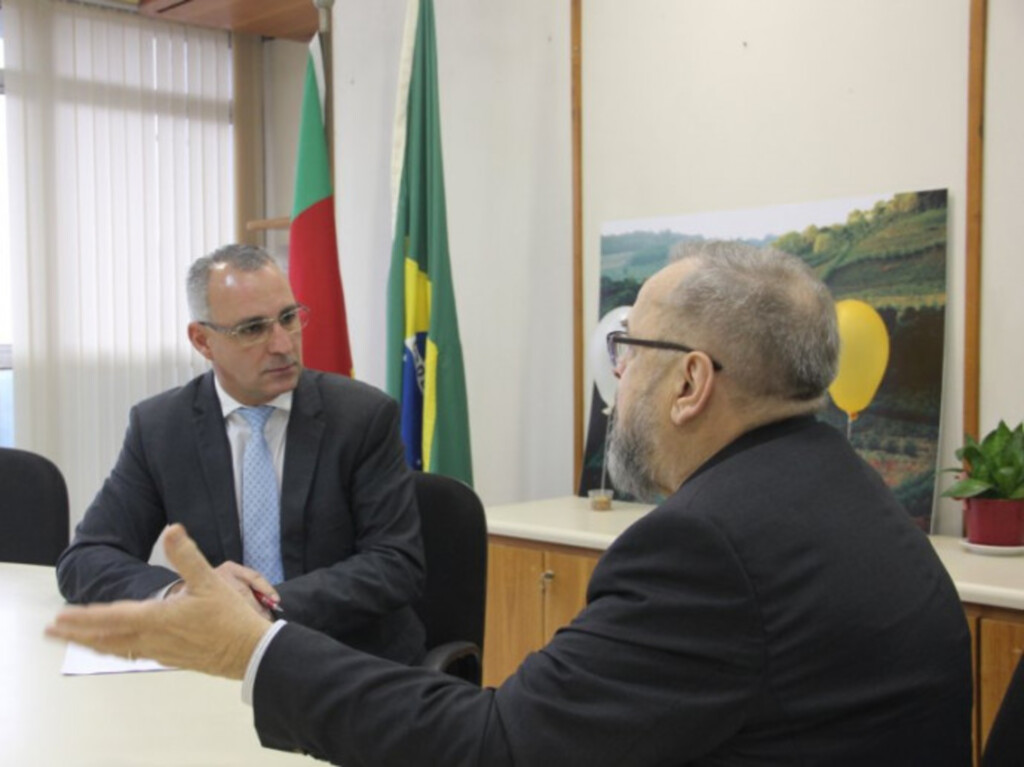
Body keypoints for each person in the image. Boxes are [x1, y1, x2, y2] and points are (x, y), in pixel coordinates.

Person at [48, 241, 972, 766]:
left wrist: (252, 640)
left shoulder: (703, 545)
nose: (618, 380)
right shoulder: (844, 491)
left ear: (691, 381)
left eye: (629, 353)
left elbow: (503, 748)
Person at [55, 243, 426, 664]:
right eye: (253, 329)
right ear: (202, 341)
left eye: (288, 318)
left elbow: (396, 564)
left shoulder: (362, 416)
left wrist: (259, 605)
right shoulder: (160, 427)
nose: (283, 344)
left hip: (347, 660)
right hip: (221, 664)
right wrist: (185, 593)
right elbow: (85, 560)